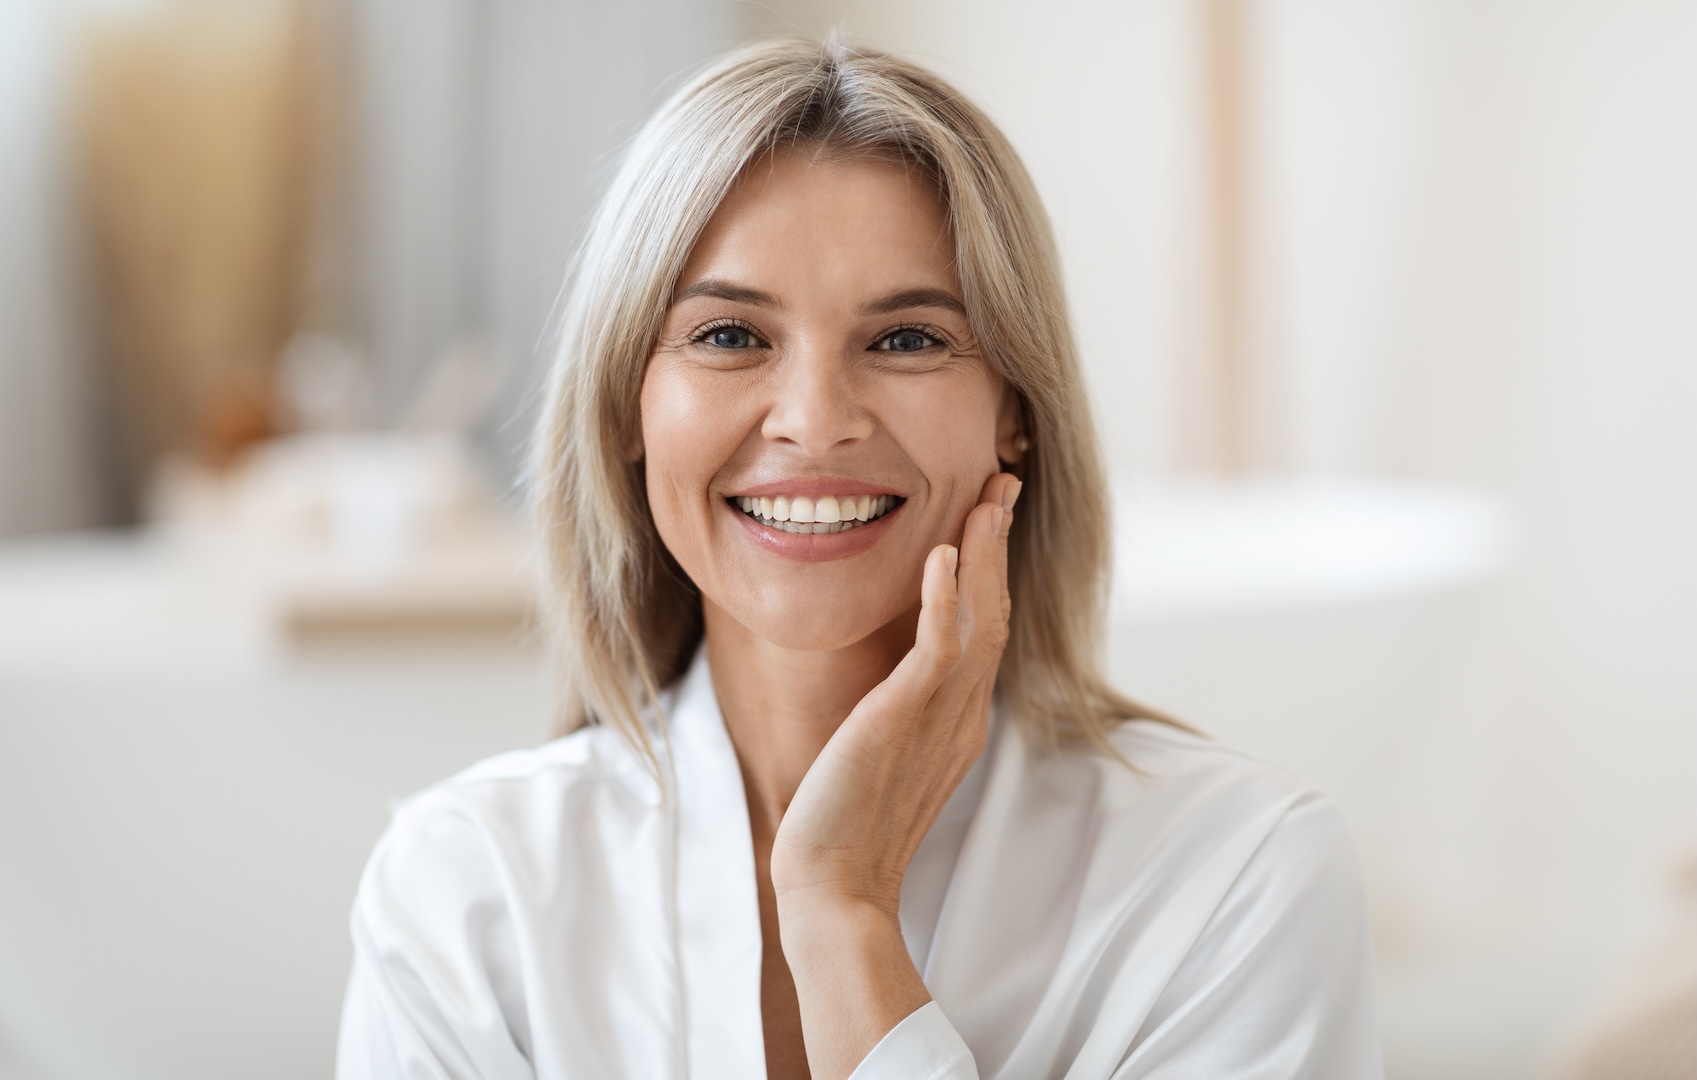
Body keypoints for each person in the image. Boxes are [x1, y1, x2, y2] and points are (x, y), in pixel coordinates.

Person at [336, 37, 1383, 1080]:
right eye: (729, 336)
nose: (814, 421)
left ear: (1014, 412)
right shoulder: (466, 894)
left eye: (907, 340)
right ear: (626, 408)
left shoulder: (1233, 878)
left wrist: (840, 914)